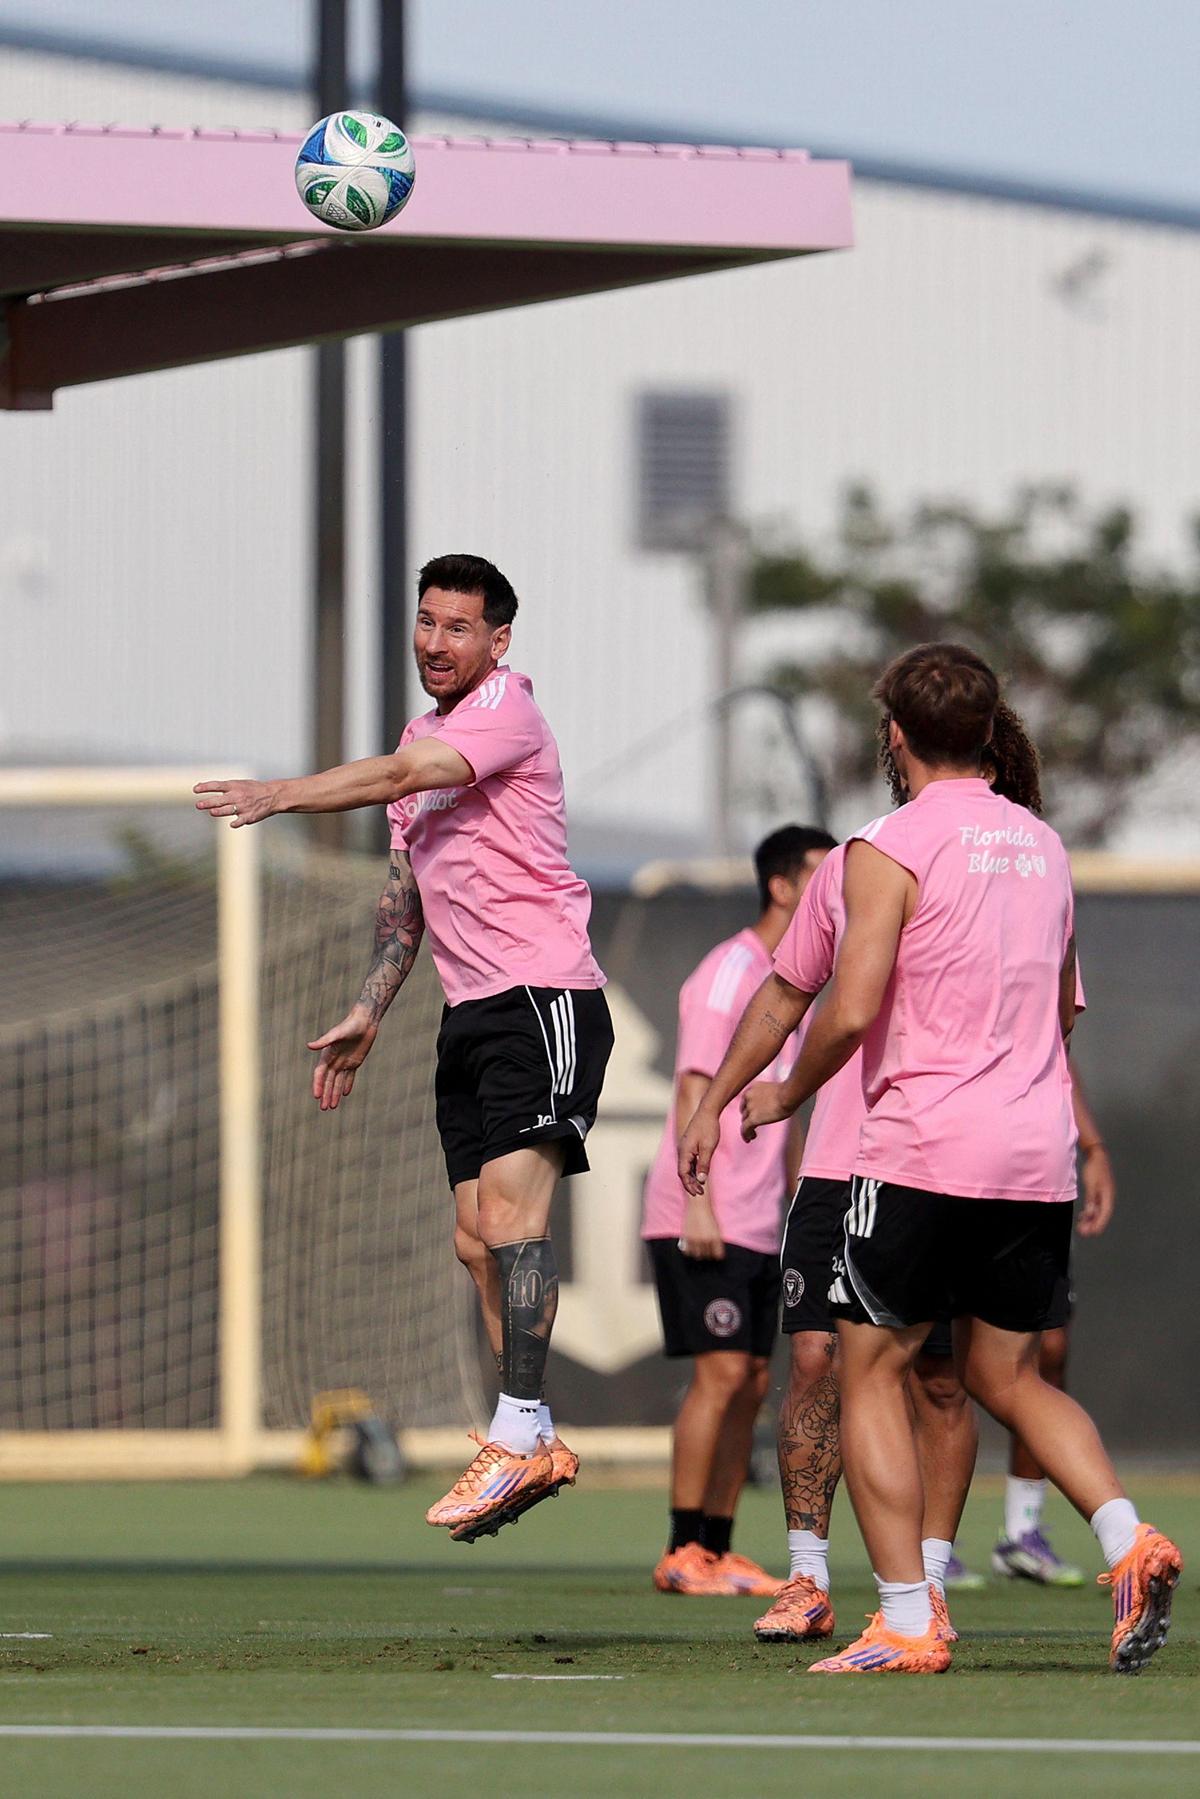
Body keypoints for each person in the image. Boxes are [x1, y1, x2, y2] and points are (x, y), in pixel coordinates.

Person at [681, 642, 1181, 1674]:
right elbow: (1062, 1014)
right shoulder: (1045, 846)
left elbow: (837, 1003)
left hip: (919, 1150)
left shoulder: (885, 846)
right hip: (1031, 1157)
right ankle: (1128, 1537)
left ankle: (909, 1618)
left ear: (896, 735)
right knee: (1006, 1373)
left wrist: (768, 1094)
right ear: (990, 731)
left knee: (869, 1366)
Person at [195, 553, 614, 1543]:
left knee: (511, 1220)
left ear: (498, 640)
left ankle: (518, 1431)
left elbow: (396, 777)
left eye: (457, 626)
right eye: (426, 621)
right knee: (473, 1237)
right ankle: (530, 1431)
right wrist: (369, 1008)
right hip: (468, 1011)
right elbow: (405, 897)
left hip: (543, 995)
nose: (434, 641)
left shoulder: (506, 711)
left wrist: (282, 794)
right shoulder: (421, 734)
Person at [641, 825, 836, 1597]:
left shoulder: (800, 977)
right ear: (782, 886)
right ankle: (681, 1546)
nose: (837, 889)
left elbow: (785, 1106)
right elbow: (695, 1086)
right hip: (703, 1212)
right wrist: (700, 1205)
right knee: (721, 1374)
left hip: (761, 1218)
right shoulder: (731, 970)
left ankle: (717, 1548)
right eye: (821, 874)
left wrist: (800, 1194)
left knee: (754, 1380)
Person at [990, 1062, 1117, 1585]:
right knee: (936, 1369)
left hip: (1034, 1179)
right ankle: (926, 1546)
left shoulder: (1051, 1003)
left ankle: (1022, 1533)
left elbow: (1059, 1054)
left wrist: (1093, 1148)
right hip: (948, 1166)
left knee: (1048, 1351)